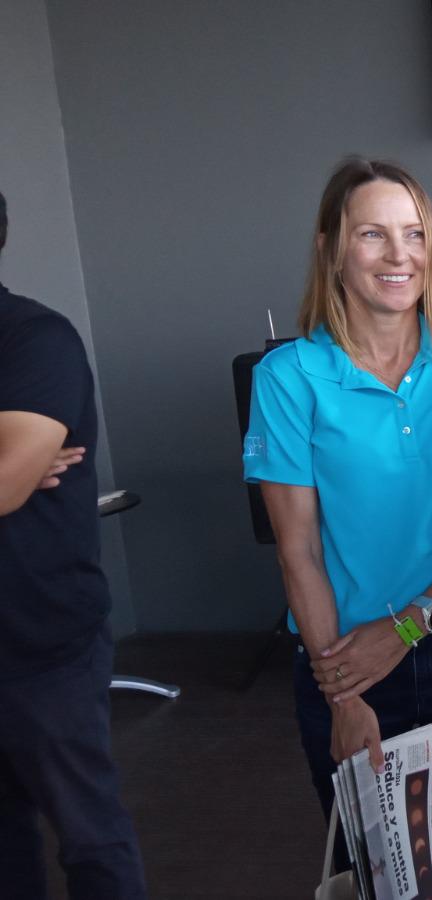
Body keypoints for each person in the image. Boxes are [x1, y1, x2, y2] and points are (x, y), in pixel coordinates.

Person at [242, 159, 432, 898]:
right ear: (332, 247)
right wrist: (341, 695)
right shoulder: (289, 378)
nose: (399, 255)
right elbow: (297, 549)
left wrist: (407, 627)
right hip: (349, 670)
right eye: (373, 234)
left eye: (413, 234)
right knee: (382, 884)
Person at [0, 188, 148, 898]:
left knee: (89, 842)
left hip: (40, 646)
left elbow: (4, 483)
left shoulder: (32, 339)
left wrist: (13, 461)